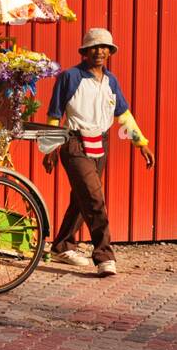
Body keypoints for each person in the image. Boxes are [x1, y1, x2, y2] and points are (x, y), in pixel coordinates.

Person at [43, 28, 154, 276]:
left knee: (82, 198)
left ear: (110, 52)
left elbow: (123, 115)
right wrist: (49, 147)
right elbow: (54, 114)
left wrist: (141, 143)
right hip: (73, 143)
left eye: (105, 47)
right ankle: (104, 254)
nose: (100, 51)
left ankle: (62, 245)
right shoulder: (70, 77)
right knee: (94, 198)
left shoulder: (111, 81)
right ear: (85, 51)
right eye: (94, 47)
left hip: (99, 144)